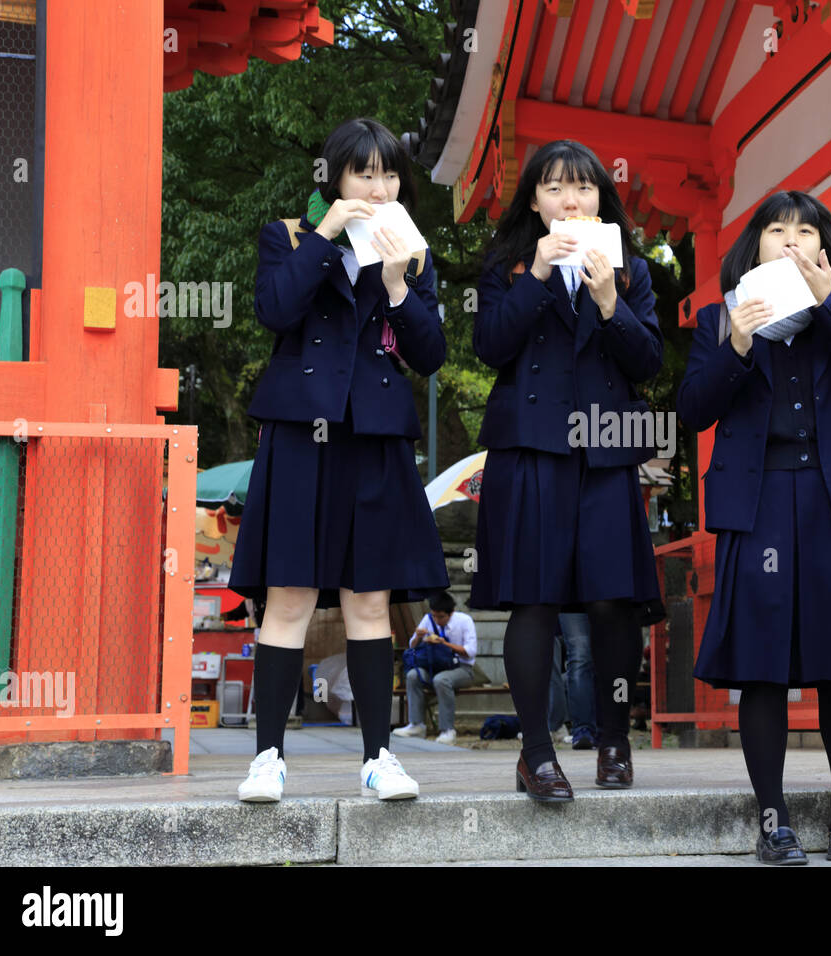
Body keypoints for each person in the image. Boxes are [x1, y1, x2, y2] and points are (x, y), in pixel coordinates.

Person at [676, 191, 831, 865]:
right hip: (759, 501)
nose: (793, 242)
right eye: (778, 231)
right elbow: (693, 409)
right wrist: (739, 342)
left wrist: (830, 303)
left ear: (826, 249)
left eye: (807, 232)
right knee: (763, 668)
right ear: (755, 247)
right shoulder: (721, 319)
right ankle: (772, 821)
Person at [229, 117, 449, 803]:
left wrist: (396, 286)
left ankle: (380, 757)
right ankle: (267, 756)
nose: (379, 187)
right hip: (300, 434)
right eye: (364, 173)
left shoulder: (411, 254)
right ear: (336, 179)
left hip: (376, 435)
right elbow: (274, 310)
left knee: (370, 598)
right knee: (288, 594)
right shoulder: (290, 236)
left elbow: (432, 354)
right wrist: (327, 238)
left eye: (389, 175)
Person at [470, 139, 663, 801]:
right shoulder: (506, 264)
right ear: (534, 200)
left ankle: (613, 740)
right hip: (530, 449)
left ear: (601, 198)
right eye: (553, 187)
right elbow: (490, 344)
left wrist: (610, 300)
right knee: (536, 600)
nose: (570, 199)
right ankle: (536, 754)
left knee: (613, 602)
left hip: (607, 452)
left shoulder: (631, 269)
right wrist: (537, 277)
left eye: (582, 187)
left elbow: (648, 364)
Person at [393, 590, 477, 744]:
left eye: (441, 617)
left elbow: (470, 652)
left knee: (441, 680)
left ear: (451, 613)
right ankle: (416, 725)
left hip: (461, 669)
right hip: (433, 666)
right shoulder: (428, 619)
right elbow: (412, 646)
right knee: (413, 675)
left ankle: (447, 730)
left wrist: (444, 644)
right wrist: (418, 636)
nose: (437, 620)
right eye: (434, 616)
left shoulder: (464, 621)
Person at [547, 612, 598, 749]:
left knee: (612, 654)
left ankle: (614, 726)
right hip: (571, 599)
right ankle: (582, 729)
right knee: (579, 656)